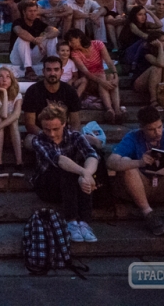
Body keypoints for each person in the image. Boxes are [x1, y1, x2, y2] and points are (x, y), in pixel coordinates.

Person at [107, 106, 164, 237]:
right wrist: (139, 162)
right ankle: (148, 213)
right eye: (151, 129)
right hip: (142, 186)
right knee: (127, 164)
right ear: (141, 127)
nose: (158, 132)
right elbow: (111, 161)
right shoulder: (132, 137)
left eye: (160, 127)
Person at [31, 104, 99, 242]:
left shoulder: (75, 136)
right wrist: (84, 173)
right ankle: (72, 221)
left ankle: (84, 223)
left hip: (73, 182)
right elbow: (59, 160)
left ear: (64, 124)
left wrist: (86, 175)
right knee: (68, 172)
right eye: (47, 129)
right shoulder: (39, 139)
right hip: (46, 183)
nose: (51, 134)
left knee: (78, 174)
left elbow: (91, 154)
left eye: (56, 129)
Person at [22, 56, 85, 150]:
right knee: (28, 142)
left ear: (61, 71)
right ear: (43, 71)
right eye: (48, 70)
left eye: (56, 69)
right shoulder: (33, 91)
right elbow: (29, 124)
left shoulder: (70, 91)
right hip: (40, 133)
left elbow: (75, 122)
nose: (52, 73)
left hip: (63, 133)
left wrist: (68, 136)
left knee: (95, 142)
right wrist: (48, 136)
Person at [66, 28, 122, 122]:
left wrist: (116, 76)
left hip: (101, 76)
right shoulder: (75, 53)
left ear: (79, 38)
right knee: (102, 78)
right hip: (88, 80)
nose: (69, 44)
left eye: (71, 41)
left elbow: (109, 62)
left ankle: (116, 110)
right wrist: (101, 80)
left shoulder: (98, 44)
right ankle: (109, 108)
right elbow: (86, 72)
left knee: (111, 77)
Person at [0, 67, 24, 178]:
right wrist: (4, 94)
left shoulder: (17, 95)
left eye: (8, 77)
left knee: (13, 121)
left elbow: (16, 115)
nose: (4, 80)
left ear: (12, 80)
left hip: (6, 133)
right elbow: (3, 114)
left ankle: (19, 162)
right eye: (1, 77)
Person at [10, 0, 59, 79]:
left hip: (32, 55)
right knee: (23, 39)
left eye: (35, 11)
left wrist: (44, 37)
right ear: (24, 12)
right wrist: (36, 41)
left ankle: (53, 63)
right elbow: (20, 32)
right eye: (30, 11)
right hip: (17, 57)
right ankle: (28, 70)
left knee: (52, 37)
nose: (33, 13)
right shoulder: (18, 22)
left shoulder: (37, 22)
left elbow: (55, 31)